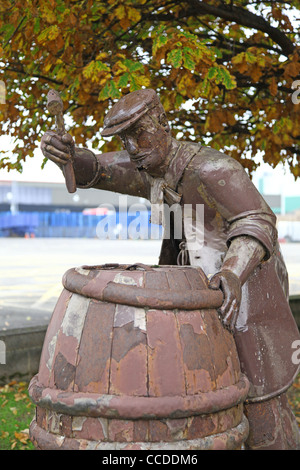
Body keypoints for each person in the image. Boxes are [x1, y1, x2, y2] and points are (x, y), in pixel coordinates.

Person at [41, 88, 300, 450]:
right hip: (200, 300)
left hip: (245, 299)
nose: (132, 148)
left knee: (262, 410)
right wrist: (69, 157)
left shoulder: (214, 169)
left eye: (139, 134)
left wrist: (231, 273)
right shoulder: (151, 168)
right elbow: (99, 169)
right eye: (125, 139)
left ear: (163, 123)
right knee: (213, 404)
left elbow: (257, 222)